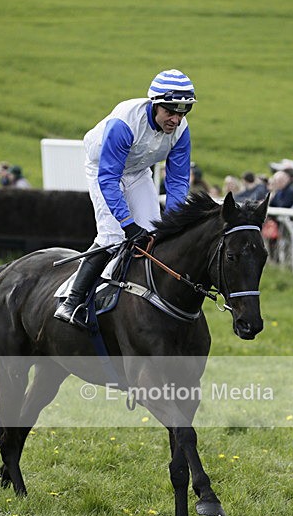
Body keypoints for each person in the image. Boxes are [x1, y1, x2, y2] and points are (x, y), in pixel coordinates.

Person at [55, 68, 196, 325]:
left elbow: (177, 182)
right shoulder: (125, 123)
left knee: (153, 232)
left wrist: (173, 222)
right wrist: (128, 223)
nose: (176, 120)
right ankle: (71, 300)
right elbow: (109, 179)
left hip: (138, 172)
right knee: (112, 236)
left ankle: (141, 295)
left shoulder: (181, 130)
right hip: (103, 169)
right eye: (170, 112)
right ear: (155, 104)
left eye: (183, 112)